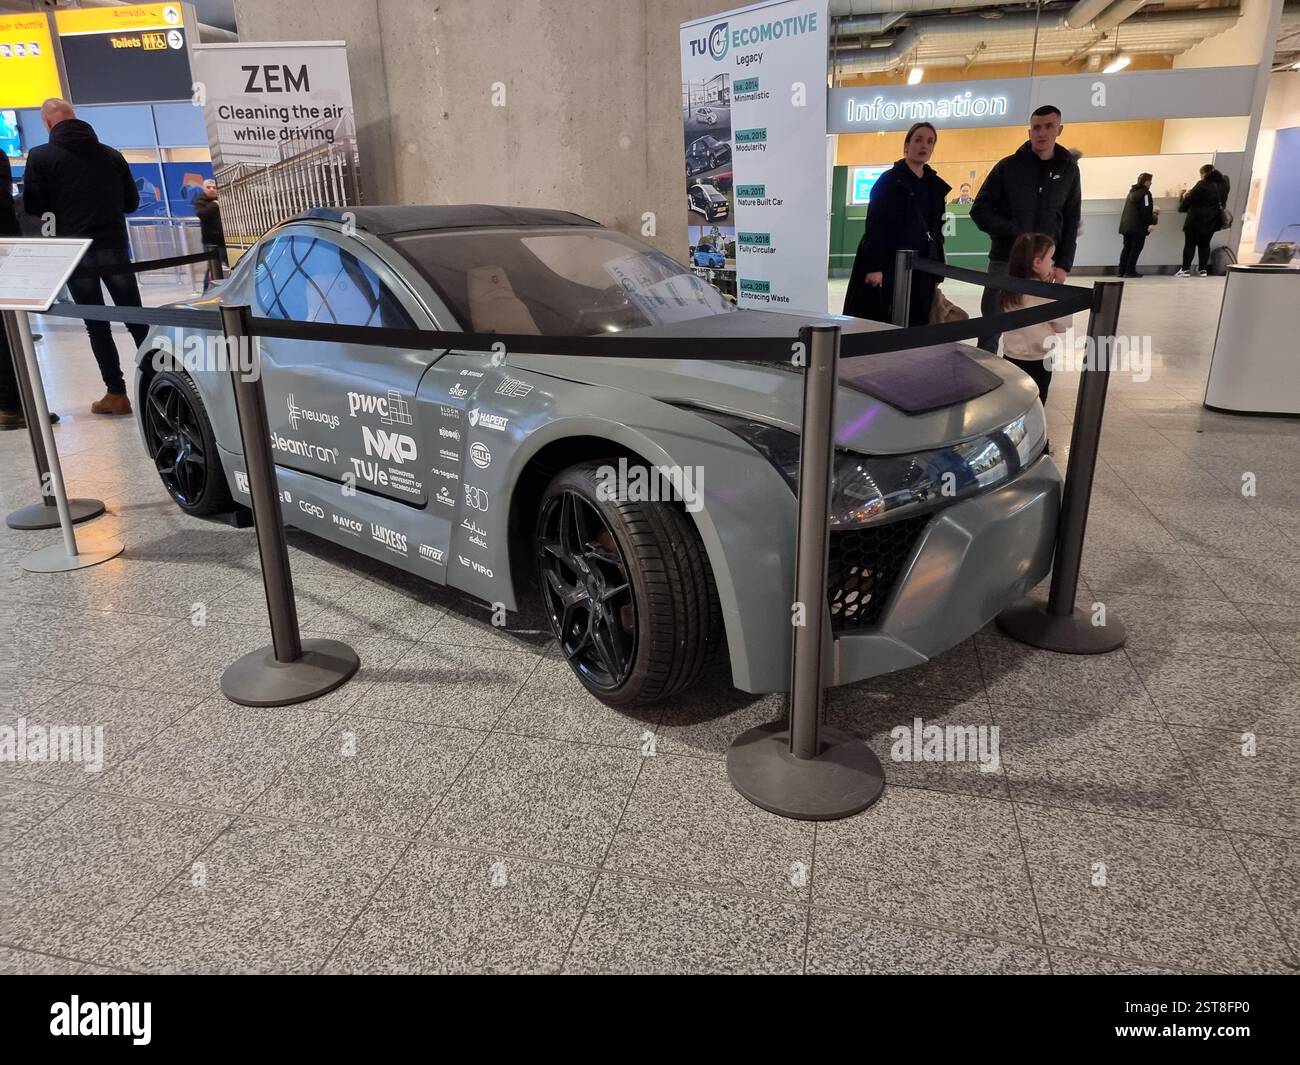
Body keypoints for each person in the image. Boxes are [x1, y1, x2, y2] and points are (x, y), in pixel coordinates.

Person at [22, 98, 148, 416]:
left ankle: (116, 394)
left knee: (96, 324)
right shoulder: (111, 154)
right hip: (115, 247)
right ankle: (158, 380)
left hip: (76, 252)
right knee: (136, 319)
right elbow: (131, 203)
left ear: (48, 124)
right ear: (75, 118)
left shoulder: (40, 156)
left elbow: (35, 206)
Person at [970, 105, 1081, 353]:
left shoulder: (1069, 170)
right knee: (993, 320)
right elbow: (980, 210)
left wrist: (1063, 264)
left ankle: (1032, 376)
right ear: (1029, 131)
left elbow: (1072, 217)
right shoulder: (1008, 167)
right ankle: (983, 368)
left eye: (1049, 126)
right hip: (1005, 259)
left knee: (1036, 328)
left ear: (1059, 129)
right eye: (1036, 127)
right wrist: (1016, 233)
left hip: (1044, 264)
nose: (1041, 133)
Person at [842, 121, 950, 327]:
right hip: (889, 264)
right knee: (884, 319)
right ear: (906, 145)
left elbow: (937, 227)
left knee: (917, 318)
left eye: (930, 141)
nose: (924, 146)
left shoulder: (934, 186)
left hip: (922, 266)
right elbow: (875, 225)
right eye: (918, 140)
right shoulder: (889, 181)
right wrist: (875, 267)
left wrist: (936, 263)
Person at [998, 232, 1073, 407]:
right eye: (1051, 259)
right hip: (1039, 360)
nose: (1053, 264)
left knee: (1015, 403)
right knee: (1037, 403)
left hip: (1011, 357)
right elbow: (1063, 325)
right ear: (1037, 263)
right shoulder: (1045, 293)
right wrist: (1059, 289)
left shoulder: (1009, 291)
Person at [1176, 165, 1224, 277]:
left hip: (1196, 220)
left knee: (1190, 244)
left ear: (1204, 173)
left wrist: (1184, 196)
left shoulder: (1202, 184)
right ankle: (1203, 270)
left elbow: (1191, 200)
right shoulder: (1220, 185)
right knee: (1205, 245)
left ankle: (1185, 270)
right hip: (1212, 221)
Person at [1118, 172, 1158, 278]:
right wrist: (1152, 220)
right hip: (1137, 227)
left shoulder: (1131, 192)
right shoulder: (1145, 193)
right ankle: (1130, 271)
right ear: (1146, 182)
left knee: (1127, 248)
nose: (1151, 183)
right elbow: (1145, 210)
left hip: (1126, 226)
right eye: (1150, 181)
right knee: (1136, 248)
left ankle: (1121, 270)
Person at [193, 178, 226, 289]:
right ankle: (206, 290)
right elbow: (202, 214)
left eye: (214, 187)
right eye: (208, 187)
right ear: (203, 189)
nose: (212, 189)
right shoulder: (200, 200)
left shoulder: (223, 199)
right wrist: (215, 204)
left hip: (226, 240)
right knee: (213, 267)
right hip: (212, 242)